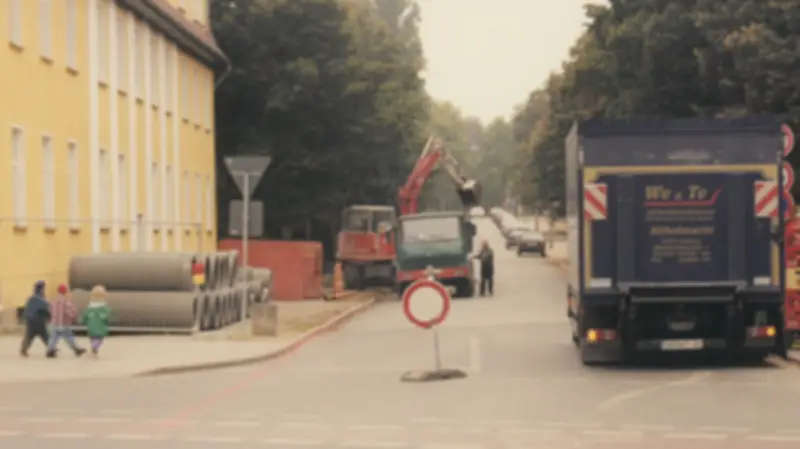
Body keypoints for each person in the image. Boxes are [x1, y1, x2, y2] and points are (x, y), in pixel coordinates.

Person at [46, 284, 86, 358]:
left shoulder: (54, 301)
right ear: (66, 292)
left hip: (54, 323)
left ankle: (50, 350)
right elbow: (70, 313)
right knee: (69, 337)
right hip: (63, 324)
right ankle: (76, 349)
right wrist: (74, 316)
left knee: (53, 338)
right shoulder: (67, 302)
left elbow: (50, 310)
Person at [21, 281, 52, 357]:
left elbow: (26, 310)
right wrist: (49, 317)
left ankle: (24, 349)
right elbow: (46, 309)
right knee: (45, 336)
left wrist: (25, 318)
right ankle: (51, 349)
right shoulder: (42, 299)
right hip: (39, 320)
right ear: (42, 288)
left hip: (30, 320)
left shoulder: (30, 298)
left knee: (29, 336)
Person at [80, 285, 111, 358]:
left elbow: (85, 315)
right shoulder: (104, 307)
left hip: (91, 326)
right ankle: (94, 347)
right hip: (100, 327)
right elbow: (107, 315)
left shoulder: (90, 307)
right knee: (99, 339)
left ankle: (94, 347)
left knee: (92, 337)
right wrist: (107, 321)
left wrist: (82, 321)